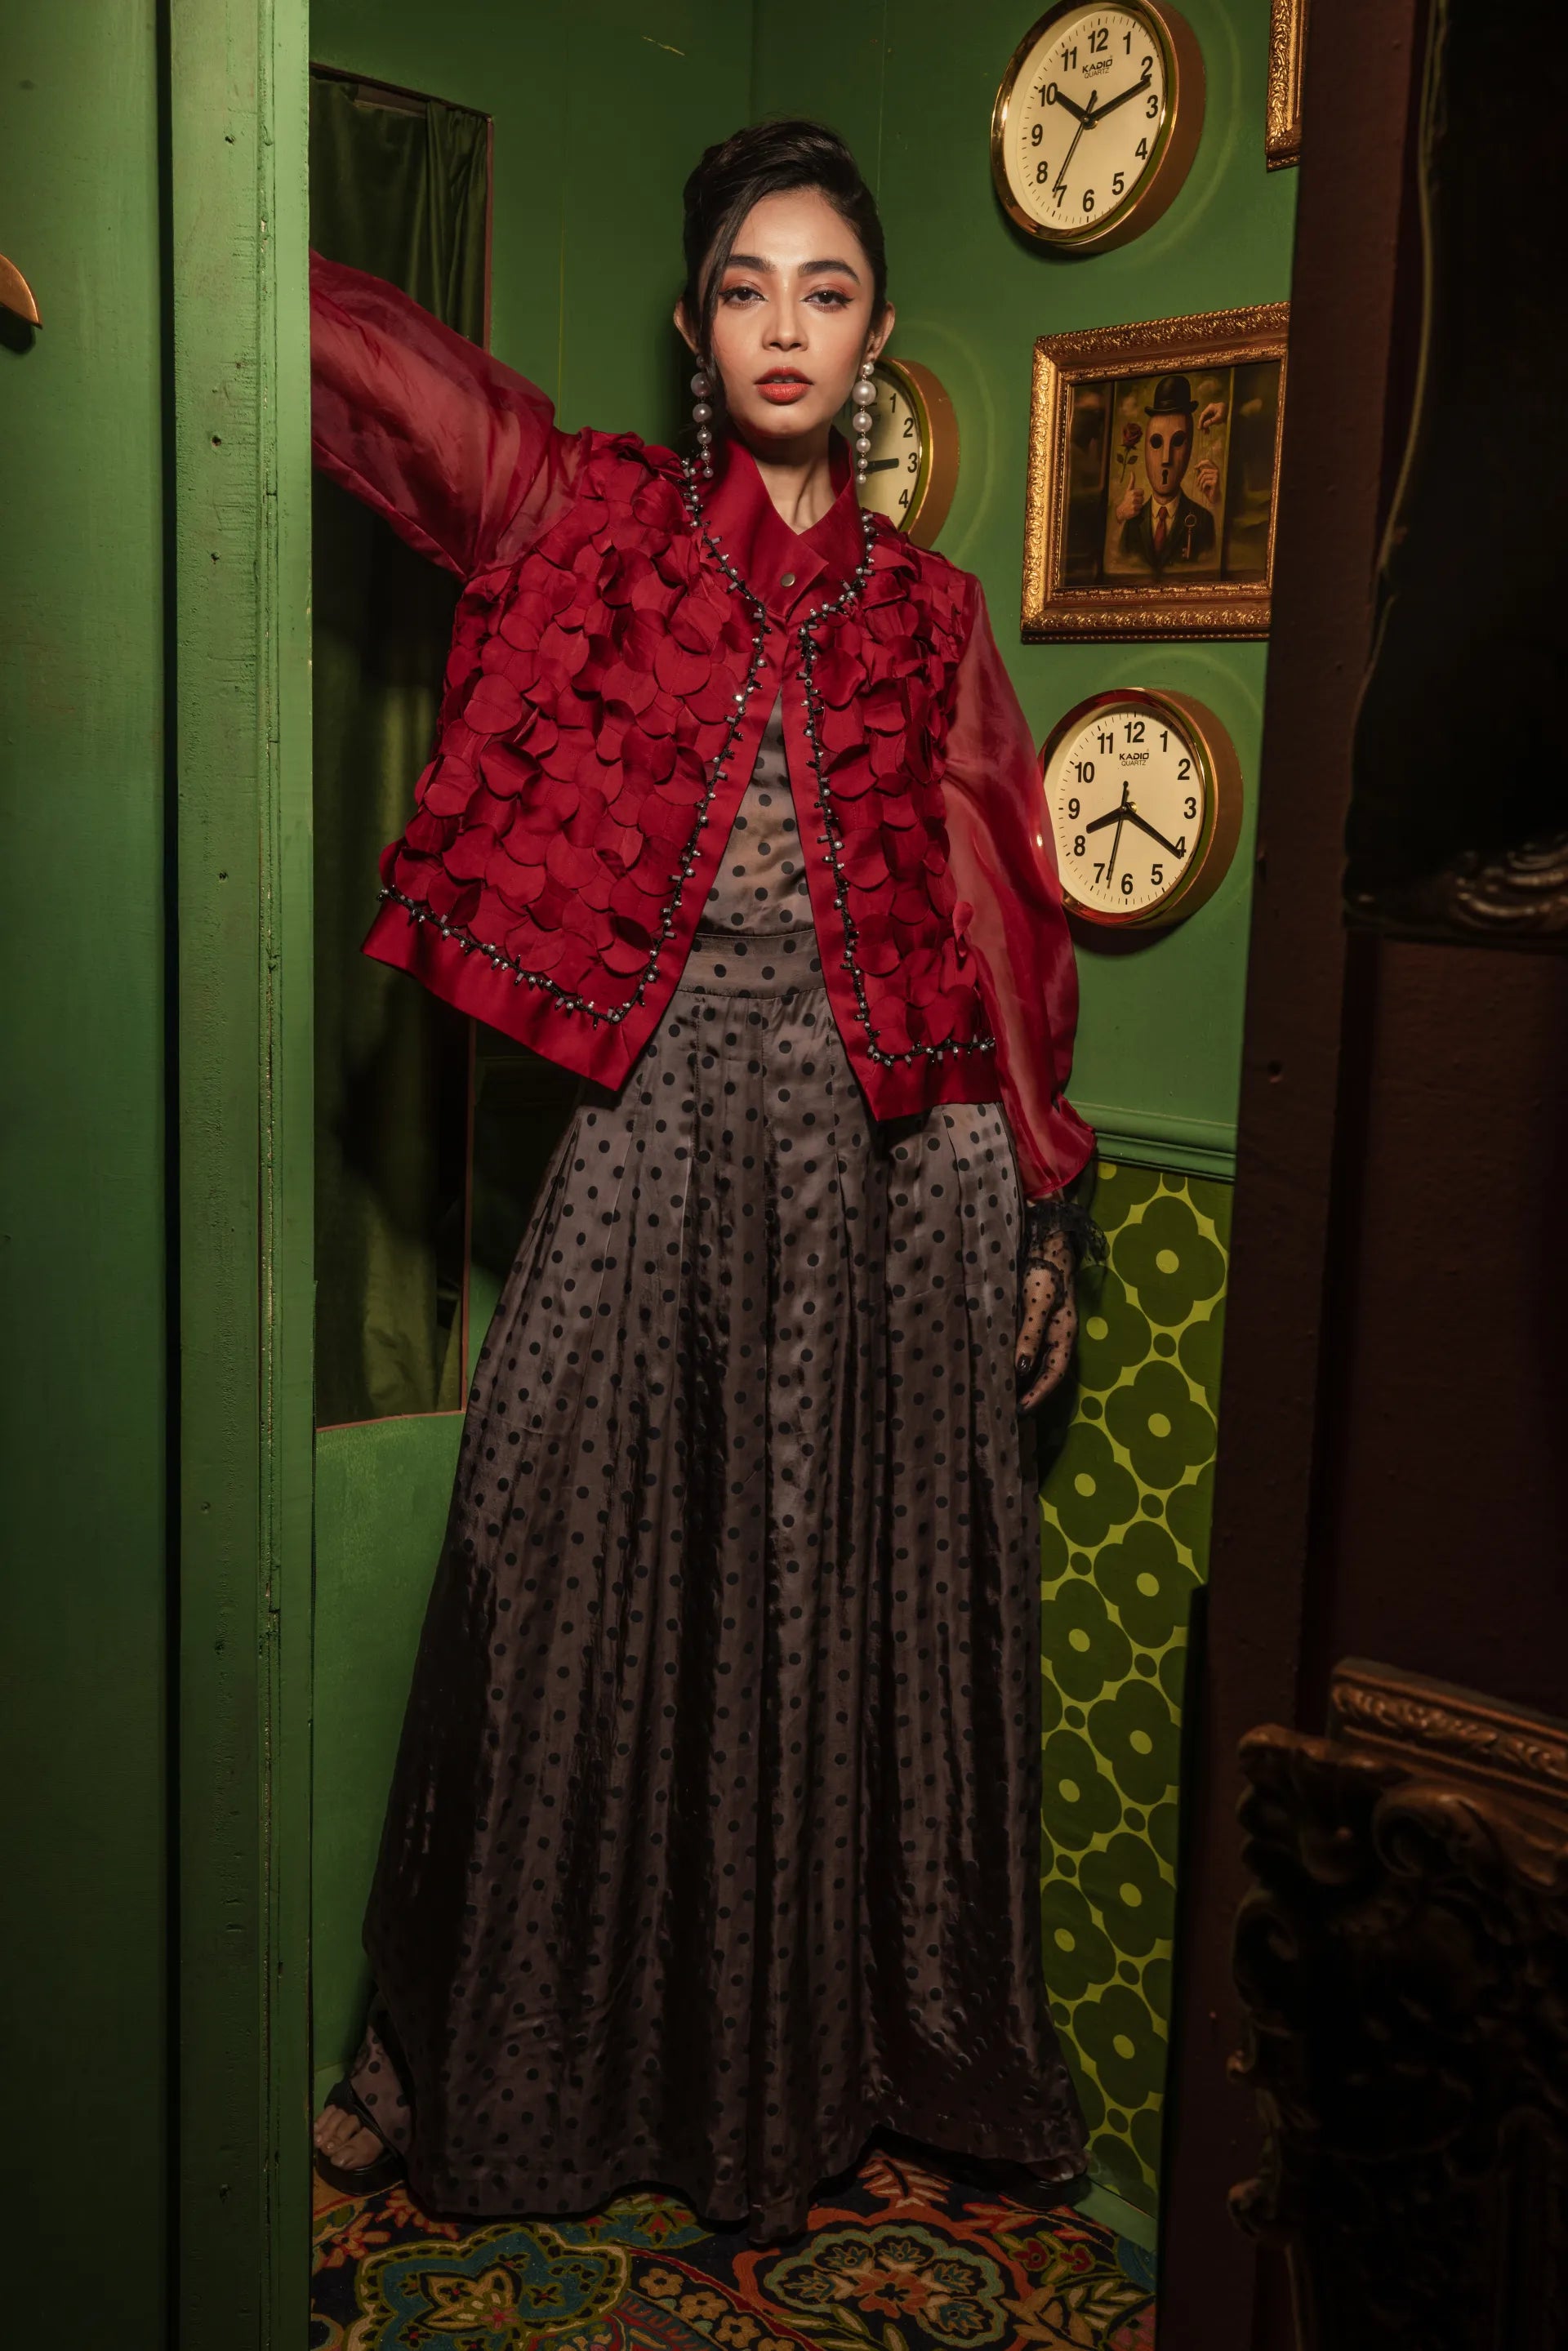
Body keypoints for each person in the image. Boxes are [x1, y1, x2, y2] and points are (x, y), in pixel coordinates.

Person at [308, 118, 1097, 2242]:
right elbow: (370, 371)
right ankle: (445, 2052)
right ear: (692, 326)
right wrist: (195, 279)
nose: (783, 326)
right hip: (650, 1138)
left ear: (876, 333)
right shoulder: (582, 516)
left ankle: (828, 2074)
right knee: (542, 1581)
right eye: (747, 285)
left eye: (823, 290)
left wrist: (1036, 1189)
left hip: (888, 1166)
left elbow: (1005, 902)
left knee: (835, 1628)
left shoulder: (929, 612)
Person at [1116, 371, 1219, 572]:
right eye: (1156, 443)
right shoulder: (1131, 523)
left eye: (1178, 442)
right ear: (1145, 449)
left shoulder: (1204, 521)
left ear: (1190, 450)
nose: (1166, 459)